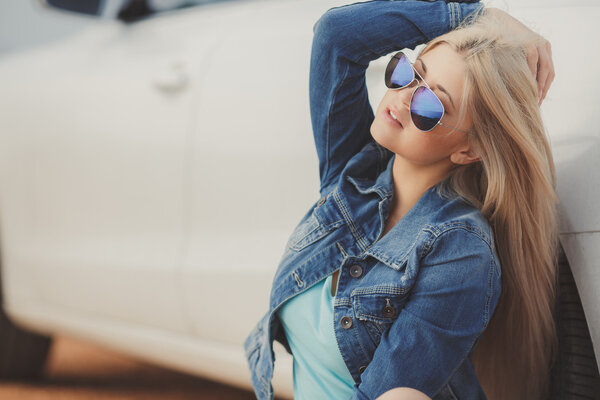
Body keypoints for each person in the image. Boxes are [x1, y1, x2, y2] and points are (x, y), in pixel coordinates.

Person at [244, 1, 557, 399]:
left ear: (469, 150)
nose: (405, 97)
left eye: (432, 104)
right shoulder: (353, 177)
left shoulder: (460, 252)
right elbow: (337, 36)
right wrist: (480, 15)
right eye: (409, 73)